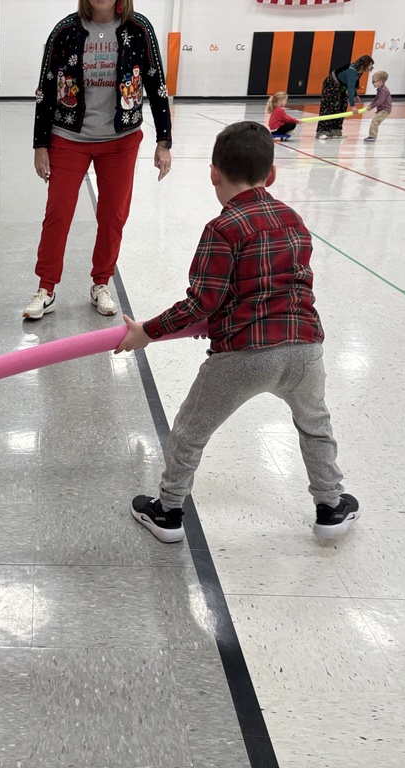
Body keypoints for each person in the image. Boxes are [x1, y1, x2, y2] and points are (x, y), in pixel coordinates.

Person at [115, 121, 359, 544]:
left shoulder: (222, 229)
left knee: (190, 430)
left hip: (245, 355)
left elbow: (202, 301)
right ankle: (331, 507)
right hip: (305, 347)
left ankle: (169, 512)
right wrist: (217, 317)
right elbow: (278, 283)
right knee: (315, 424)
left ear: (213, 173)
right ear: (272, 174)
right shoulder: (294, 218)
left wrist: (147, 332)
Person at [23, 0, 173, 321]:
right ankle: (46, 287)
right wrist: (40, 144)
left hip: (120, 141)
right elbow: (46, 88)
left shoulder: (139, 30)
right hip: (68, 138)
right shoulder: (65, 31)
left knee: (113, 215)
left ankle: (101, 283)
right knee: (58, 213)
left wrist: (164, 141)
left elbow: (156, 85)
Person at [316, 54, 374, 140]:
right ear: (364, 65)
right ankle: (322, 132)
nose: (370, 68)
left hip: (341, 86)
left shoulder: (359, 71)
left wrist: (355, 95)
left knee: (341, 106)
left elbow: (354, 84)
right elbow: (350, 89)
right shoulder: (352, 72)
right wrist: (353, 106)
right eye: (369, 66)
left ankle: (335, 131)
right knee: (330, 107)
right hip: (331, 85)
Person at [363, 70, 392, 143]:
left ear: (381, 82)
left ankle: (372, 136)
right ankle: (372, 136)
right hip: (381, 109)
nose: (373, 83)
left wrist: (372, 106)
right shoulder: (380, 90)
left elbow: (380, 101)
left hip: (385, 110)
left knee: (375, 121)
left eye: (374, 81)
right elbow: (376, 99)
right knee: (375, 121)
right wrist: (371, 105)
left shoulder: (384, 91)